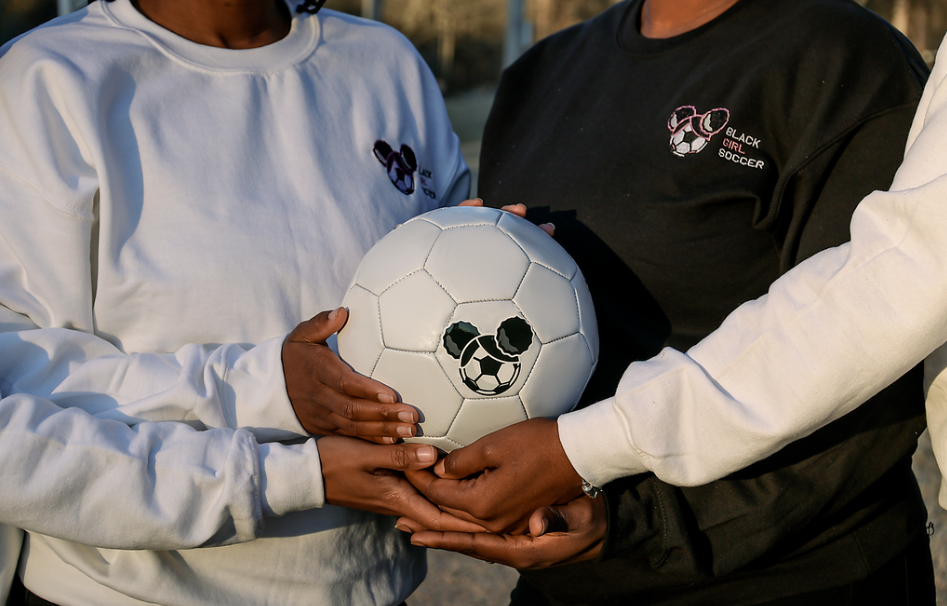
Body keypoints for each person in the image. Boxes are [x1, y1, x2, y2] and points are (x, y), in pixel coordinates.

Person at [401, 0, 938, 603]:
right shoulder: (540, 71)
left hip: (793, 581)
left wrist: (638, 523)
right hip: (566, 586)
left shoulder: (846, 59)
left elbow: (871, 371)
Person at [0, 0, 477, 604]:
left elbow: (453, 332)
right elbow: (14, 417)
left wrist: (494, 257)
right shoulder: (45, 81)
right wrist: (277, 415)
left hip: (376, 589)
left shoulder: (386, 62)